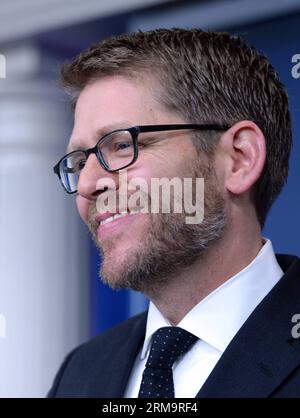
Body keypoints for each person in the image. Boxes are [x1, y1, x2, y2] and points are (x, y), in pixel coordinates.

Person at [49, 28, 300, 398]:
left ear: (239, 160)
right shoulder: (81, 372)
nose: (87, 185)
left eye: (120, 145)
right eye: (80, 161)